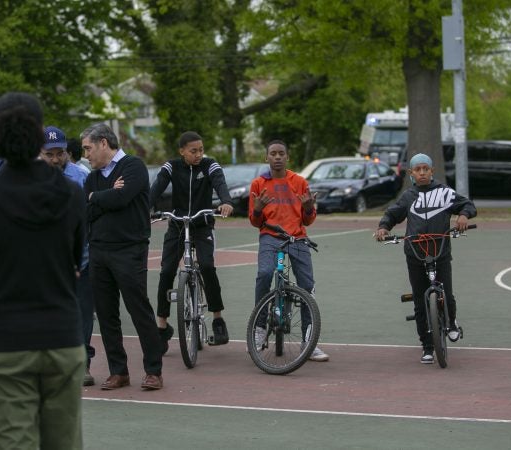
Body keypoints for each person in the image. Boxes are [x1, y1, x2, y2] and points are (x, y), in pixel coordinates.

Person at [0, 92, 86, 449]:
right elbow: (75, 259)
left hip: (5, 341)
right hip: (61, 336)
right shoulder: (71, 194)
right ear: (39, 133)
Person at [82, 122, 164, 390]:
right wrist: (103, 196)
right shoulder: (92, 177)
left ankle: (154, 371)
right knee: (106, 314)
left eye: (88, 148)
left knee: (139, 310)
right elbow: (87, 211)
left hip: (129, 250)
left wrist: (98, 198)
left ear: (103, 143)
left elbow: (122, 199)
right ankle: (119, 372)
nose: (86, 155)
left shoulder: (133, 166)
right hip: (99, 251)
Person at [374, 153, 476, 364]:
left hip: (441, 252)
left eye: (425, 169)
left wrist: (464, 215)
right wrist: (384, 227)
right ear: (411, 173)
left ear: (432, 171)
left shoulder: (445, 193)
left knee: (446, 293)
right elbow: (393, 214)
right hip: (415, 253)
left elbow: (468, 205)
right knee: (420, 302)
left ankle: (452, 324)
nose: (422, 173)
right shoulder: (408, 196)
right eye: (417, 170)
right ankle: (427, 346)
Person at [149, 131, 234, 351]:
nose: (198, 154)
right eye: (193, 151)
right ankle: (162, 325)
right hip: (177, 225)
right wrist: (146, 206)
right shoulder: (171, 167)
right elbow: (157, 186)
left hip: (202, 224)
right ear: (182, 151)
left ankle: (217, 318)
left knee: (207, 266)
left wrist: (225, 201)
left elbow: (220, 182)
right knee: (167, 271)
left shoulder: (209, 165)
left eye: (201, 150)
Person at [248, 140, 329, 362]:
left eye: (281, 153)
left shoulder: (300, 182)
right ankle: (260, 329)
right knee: (264, 274)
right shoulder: (258, 184)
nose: (277, 157)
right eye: (273, 154)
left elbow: (308, 220)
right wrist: (256, 210)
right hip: (270, 237)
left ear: (287, 157)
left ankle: (308, 341)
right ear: (266, 158)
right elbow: (255, 222)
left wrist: (308, 209)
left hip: (298, 238)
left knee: (307, 286)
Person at [40, 126, 96, 386]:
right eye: (49, 154)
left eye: (60, 153)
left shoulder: (82, 175)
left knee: (83, 313)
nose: (55, 159)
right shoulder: (28, 178)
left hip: (81, 259)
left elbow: (91, 214)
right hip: (46, 263)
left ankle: (83, 362)